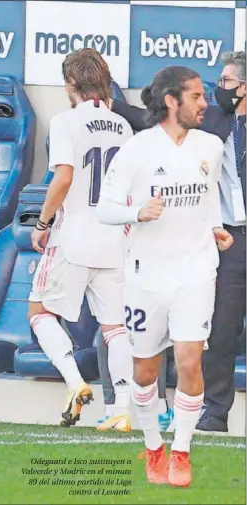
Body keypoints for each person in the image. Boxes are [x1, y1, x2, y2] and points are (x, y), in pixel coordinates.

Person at [97, 66, 234, 487]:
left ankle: (181, 452)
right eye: (196, 97)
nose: (205, 103)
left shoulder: (211, 145)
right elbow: (105, 208)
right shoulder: (137, 150)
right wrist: (137, 212)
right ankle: (154, 445)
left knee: (191, 360)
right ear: (172, 101)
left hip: (195, 271)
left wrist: (213, 227)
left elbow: (208, 197)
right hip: (146, 276)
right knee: (145, 372)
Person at [27, 49, 134, 431]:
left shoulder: (65, 121)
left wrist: (42, 222)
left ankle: (74, 383)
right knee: (115, 327)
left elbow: (64, 178)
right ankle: (121, 409)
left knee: (39, 312)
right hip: (114, 238)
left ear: (71, 83)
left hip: (73, 236)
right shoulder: (122, 125)